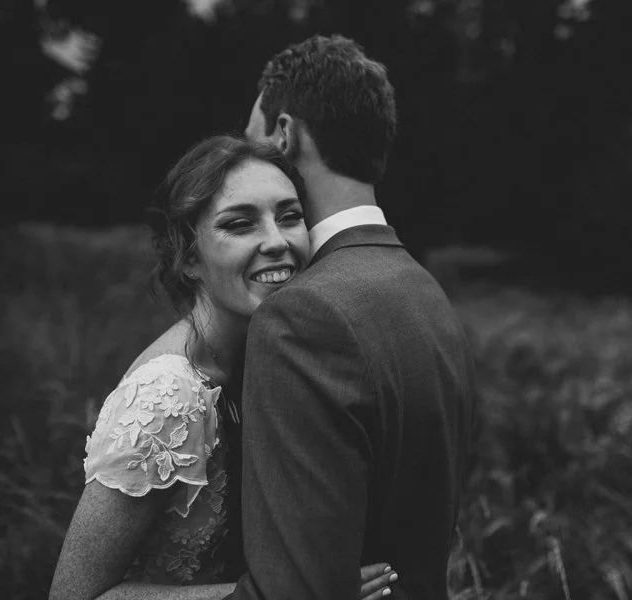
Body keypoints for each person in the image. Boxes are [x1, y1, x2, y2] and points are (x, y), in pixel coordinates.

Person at [48, 136, 398, 600]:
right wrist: (280, 594)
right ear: (190, 258)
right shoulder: (168, 394)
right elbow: (75, 596)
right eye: (240, 224)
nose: (277, 242)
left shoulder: (264, 358)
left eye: (290, 217)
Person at [227, 35, 477, 600]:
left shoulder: (300, 316)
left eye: (252, 142)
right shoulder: (428, 294)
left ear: (285, 134)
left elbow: (291, 589)